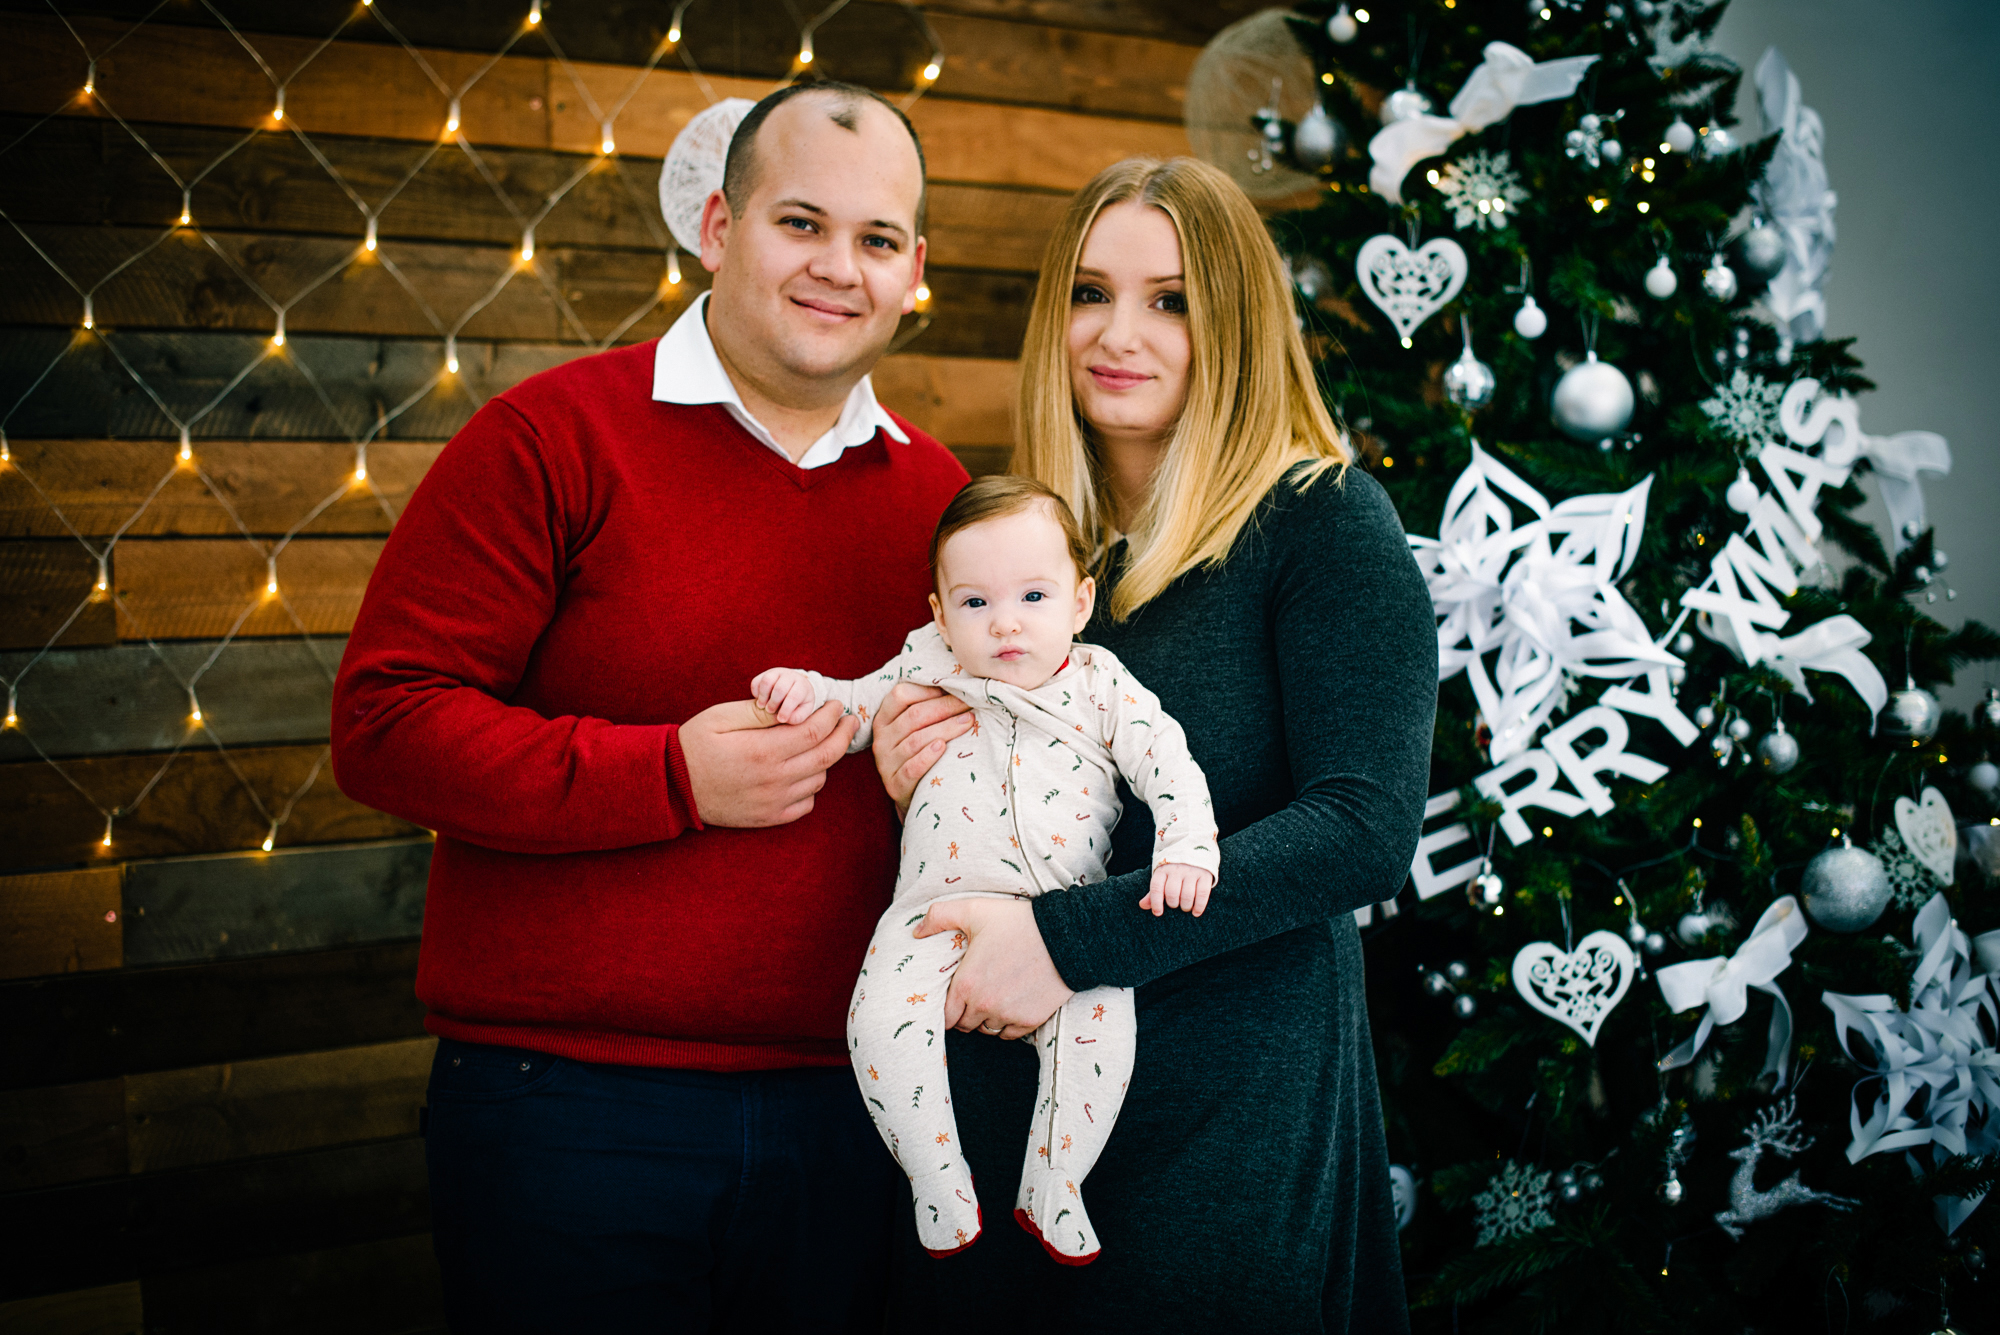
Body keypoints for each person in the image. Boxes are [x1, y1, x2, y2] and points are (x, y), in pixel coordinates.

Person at [330, 80, 970, 1331]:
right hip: (567, 1109)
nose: (838, 268)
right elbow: (386, 723)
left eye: (876, 239)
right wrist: (668, 779)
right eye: (800, 224)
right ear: (719, 230)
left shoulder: (942, 502)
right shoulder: (551, 441)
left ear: (912, 270)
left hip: (859, 1109)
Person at [871, 157, 1437, 1331]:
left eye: (1169, 300)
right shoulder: (1021, 546)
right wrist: (909, 767)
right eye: (1088, 293)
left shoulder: (1320, 520)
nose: (1117, 333)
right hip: (1000, 1106)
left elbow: (1362, 831)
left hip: (1228, 1112)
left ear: (1232, 322)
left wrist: (1066, 943)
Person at [752, 475, 1220, 1265]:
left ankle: (1056, 1181)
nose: (1004, 622)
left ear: (1078, 602)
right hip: (932, 910)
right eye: (974, 603)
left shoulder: (1102, 683)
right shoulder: (929, 661)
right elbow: (858, 708)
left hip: (1066, 921)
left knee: (1104, 1028)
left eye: (1033, 597)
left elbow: (1167, 762)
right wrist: (806, 692)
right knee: (877, 1022)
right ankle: (937, 1176)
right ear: (939, 613)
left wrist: (1186, 845)